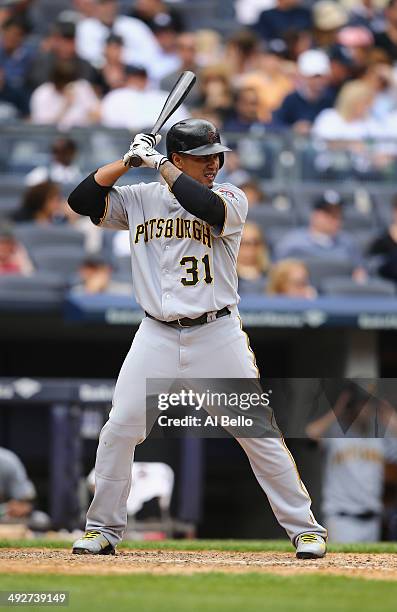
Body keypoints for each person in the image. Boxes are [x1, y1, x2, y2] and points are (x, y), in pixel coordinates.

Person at [68, 117, 327, 558]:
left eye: (217, 156)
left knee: (258, 433)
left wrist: (161, 166)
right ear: (179, 157)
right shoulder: (140, 198)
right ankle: (101, 529)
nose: (214, 164)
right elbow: (81, 200)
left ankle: (306, 530)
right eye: (203, 158)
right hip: (156, 333)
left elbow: (204, 207)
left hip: (216, 332)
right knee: (119, 429)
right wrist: (128, 162)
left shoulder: (230, 196)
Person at [274, 190, 366, 280]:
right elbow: (278, 274)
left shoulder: (349, 243)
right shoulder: (293, 242)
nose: (334, 218)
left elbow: (359, 274)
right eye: (328, 213)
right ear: (315, 215)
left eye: (338, 213)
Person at [272, 49, 334, 133]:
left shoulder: (331, 98)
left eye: (321, 77)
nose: (318, 81)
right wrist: (293, 128)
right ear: (303, 77)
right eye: (313, 77)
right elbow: (276, 125)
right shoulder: (290, 100)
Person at [30, 60, 100, 130]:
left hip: (83, 134)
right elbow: (42, 127)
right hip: (52, 137)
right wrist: (65, 106)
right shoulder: (42, 94)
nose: (67, 87)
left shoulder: (82, 87)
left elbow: (97, 115)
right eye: (63, 84)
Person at [237, 221, 269, 294]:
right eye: (242, 243)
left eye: (255, 243)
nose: (249, 248)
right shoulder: (223, 279)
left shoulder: (273, 277)